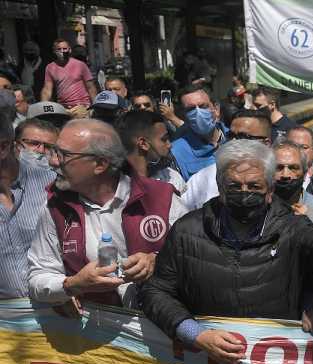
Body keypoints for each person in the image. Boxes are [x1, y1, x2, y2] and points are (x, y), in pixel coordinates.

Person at [139, 139, 313, 364]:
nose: (244, 192)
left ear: (269, 191)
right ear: (220, 189)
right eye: (234, 186)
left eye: (254, 186)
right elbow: (156, 292)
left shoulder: (292, 227)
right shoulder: (187, 230)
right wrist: (196, 334)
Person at [27, 119, 187, 309]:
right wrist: (72, 285)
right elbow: (39, 275)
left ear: (100, 164)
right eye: (55, 151)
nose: (53, 161)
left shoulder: (162, 198)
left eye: (64, 155)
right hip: (95, 332)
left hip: (162, 327)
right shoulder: (55, 207)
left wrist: (157, 261)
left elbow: (196, 261)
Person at [0, 91, 55, 297]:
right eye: (33, 143)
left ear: (4, 147)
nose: (41, 150)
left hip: (61, 316)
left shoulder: (51, 185)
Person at [116, 110, 186, 194]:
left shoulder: (172, 177)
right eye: (164, 139)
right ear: (143, 143)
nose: (169, 145)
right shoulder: (114, 186)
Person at [169, 84, 228, 180]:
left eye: (203, 106)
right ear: (184, 115)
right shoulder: (176, 152)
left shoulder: (235, 138)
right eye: (190, 109)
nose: (198, 112)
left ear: (216, 109)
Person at [40, 39, 97, 110]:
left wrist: (95, 105)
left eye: (64, 49)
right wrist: (43, 106)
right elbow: (47, 89)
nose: (62, 51)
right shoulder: (50, 67)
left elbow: (90, 87)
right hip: (63, 108)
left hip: (81, 105)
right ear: (54, 51)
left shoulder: (80, 65)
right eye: (59, 49)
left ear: (69, 50)